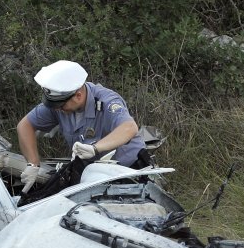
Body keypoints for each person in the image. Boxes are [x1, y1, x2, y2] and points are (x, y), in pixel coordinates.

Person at [17, 60, 149, 192]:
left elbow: (129, 127)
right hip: (92, 174)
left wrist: (95, 148)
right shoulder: (59, 104)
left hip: (129, 171)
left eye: (60, 106)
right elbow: (25, 125)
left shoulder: (107, 100)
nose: (56, 110)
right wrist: (33, 163)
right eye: (53, 105)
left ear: (78, 96)